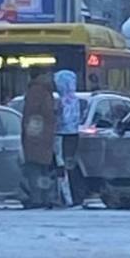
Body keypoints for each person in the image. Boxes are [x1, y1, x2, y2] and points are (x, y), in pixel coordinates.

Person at [20, 66, 57, 209]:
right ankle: (45, 197)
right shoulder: (47, 91)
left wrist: (29, 134)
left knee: (34, 168)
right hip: (46, 135)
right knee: (43, 168)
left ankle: (37, 199)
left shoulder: (35, 90)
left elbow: (31, 112)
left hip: (36, 136)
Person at [54, 69, 82, 207]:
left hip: (62, 136)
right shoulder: (76, 100)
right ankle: (75, 195)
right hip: (74, 135)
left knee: (61, 166)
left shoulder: (61, 101)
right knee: (71, 166)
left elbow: (61, 120)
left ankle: (65, 197)